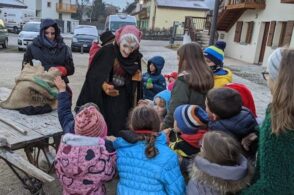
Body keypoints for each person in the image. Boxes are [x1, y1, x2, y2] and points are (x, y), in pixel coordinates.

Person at [242, 48, 294, 194]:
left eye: (268, 74)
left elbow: (272, 187)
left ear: (279, 81)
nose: (267, 80)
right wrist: (258, 134)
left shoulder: (280, 125)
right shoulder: (282, 112)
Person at [76, 25, 143, 136]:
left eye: (132, 47)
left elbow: (137, 87)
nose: (127, 51)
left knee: (121, 130)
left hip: (124, 102)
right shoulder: (106, 52)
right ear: (119, 41)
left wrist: (135, 80)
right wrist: (103, 85)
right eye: (125, 46)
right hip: (105, 101)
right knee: (105, 128)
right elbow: (93, 76)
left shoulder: (135, 57)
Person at [107, 105, 185, 194]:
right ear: (158, 125)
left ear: (131, 125)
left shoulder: (121, 150)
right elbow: (177, 191)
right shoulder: (168, 156)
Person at [54, 100, 116, 195]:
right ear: (101, 132)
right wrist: (112, 156)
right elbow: (109, 175)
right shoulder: (102, 157)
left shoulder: (63, 150)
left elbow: (58, 170)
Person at [162, 42, 214, 129]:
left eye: (179, 59)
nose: (178, 63)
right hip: (202, 125)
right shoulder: (208, 76)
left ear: (186, 60)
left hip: (184, 128)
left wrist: (162, 129)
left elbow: (174, 111)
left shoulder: (183, 80)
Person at [186, 131, 254, 195]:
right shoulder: (246, 171)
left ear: (211, 156)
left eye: (202, 146)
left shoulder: (198, 185)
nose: (200, 147)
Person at [206, 87, 258, 157]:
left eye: (206, 106)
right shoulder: (247, 114)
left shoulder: (217, 130)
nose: (205, 109)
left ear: (214, 115)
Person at [23, 18, 74, 85]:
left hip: (58, 84)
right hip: (37, 84)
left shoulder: (64, 48)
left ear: (56, 33)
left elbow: (71, 69)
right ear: (42, 32)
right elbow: (25, 69)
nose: (50, 36)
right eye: (46, 33)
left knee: (67, 94)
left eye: (52, 33)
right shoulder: (32, 47)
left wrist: (61, 70)